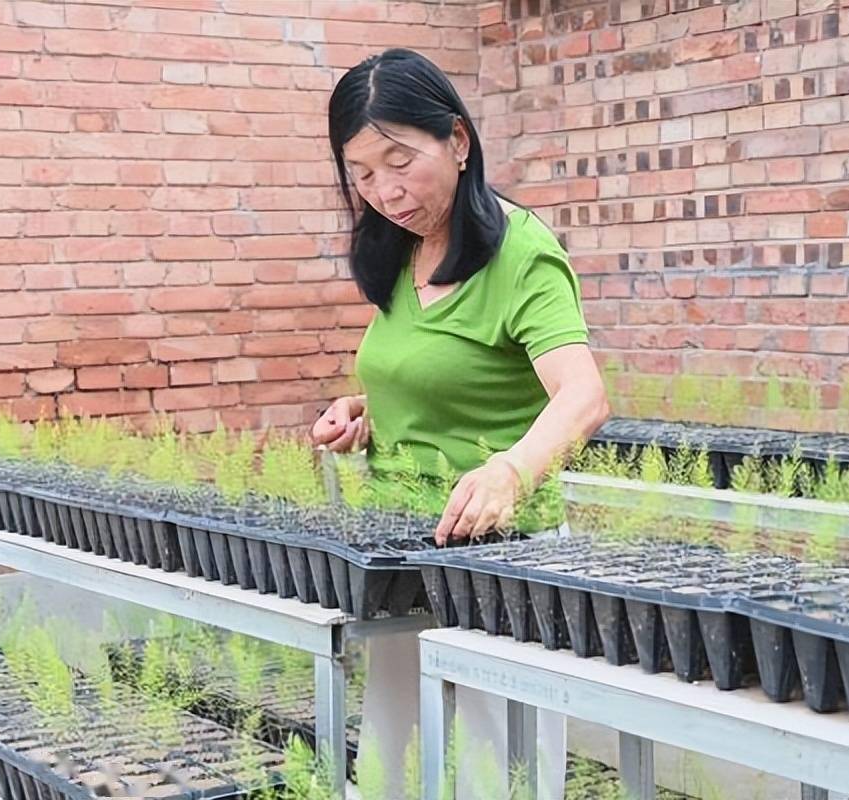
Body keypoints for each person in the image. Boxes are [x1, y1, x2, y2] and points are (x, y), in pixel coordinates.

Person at [313, 48, 610, 798]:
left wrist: (510, 469)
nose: (385, 189)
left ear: (458, 141)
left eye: (400, 160)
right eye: (362, 173)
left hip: (501, 557)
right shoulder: (401, 250)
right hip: (399, 549)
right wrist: (365, 413)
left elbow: (583, 396)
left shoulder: (521, 254)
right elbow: (435, 375)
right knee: (392, 760)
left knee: (497, 766)